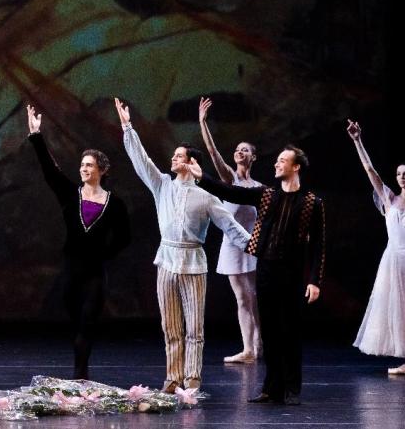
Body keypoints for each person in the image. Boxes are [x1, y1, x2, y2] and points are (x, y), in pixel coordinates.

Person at [114, 97, 250, 393]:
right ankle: (172, 378)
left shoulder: (206, 197)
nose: (173, 159)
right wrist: (128, 127)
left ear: (191, 163)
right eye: (174, 156)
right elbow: (142, 163)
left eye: (179, 156)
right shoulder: (162, 184)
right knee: (171, 326)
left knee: (194, 329)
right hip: (167, 261)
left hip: (193, 263)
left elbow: (231, 227)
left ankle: (192, 378)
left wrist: (257, 246)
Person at [189, 143, 324, 406]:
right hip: (267, 268)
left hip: (293, 272)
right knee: (271, 331)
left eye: (282, 160)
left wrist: (314, 280)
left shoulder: (312, 203)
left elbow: (319, 244)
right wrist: (201, 177)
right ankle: (271, 388)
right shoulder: (266, 195)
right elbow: (232, 192)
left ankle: (291, 388)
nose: (277, 163)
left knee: (290, 331)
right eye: (277, 159)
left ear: (295, 167)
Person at [26, 105, 130, 379]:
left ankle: (80, 377)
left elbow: (124, 237)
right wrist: (36, 136)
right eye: (82, 165)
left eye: (89, 165)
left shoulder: (114, 203)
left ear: (102, 170)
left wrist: (104, 254)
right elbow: (51, 171)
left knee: (87, 325)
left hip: (95, 273)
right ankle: (79, 372)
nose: (84, 169)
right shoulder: (71, 195)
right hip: (71, 271)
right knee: (74, 323)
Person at [198, 97, 262, 364]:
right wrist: (203, 122)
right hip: (233, 247)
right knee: (243, 297)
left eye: (245, 150)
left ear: (253, 157)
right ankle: (248, 348)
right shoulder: (230, 179)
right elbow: (213, 154)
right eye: (237, 149)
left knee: (255, 296)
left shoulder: (259, 186)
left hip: (254, 246)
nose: (240, 152)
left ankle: (258, 346)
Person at [346, 120, 405, 374]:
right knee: (399, 311)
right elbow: (370, 170)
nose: (403, 176)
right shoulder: (389, 199)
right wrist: (358, 141)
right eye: (400, 173)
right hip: (394, 260)